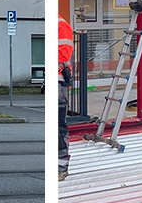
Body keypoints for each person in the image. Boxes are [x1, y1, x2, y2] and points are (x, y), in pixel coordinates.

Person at [58, 19, 76, 181]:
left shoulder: (60, 25)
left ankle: (61, 167)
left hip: (59, 83)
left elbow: (64, 54)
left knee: (59, 126)